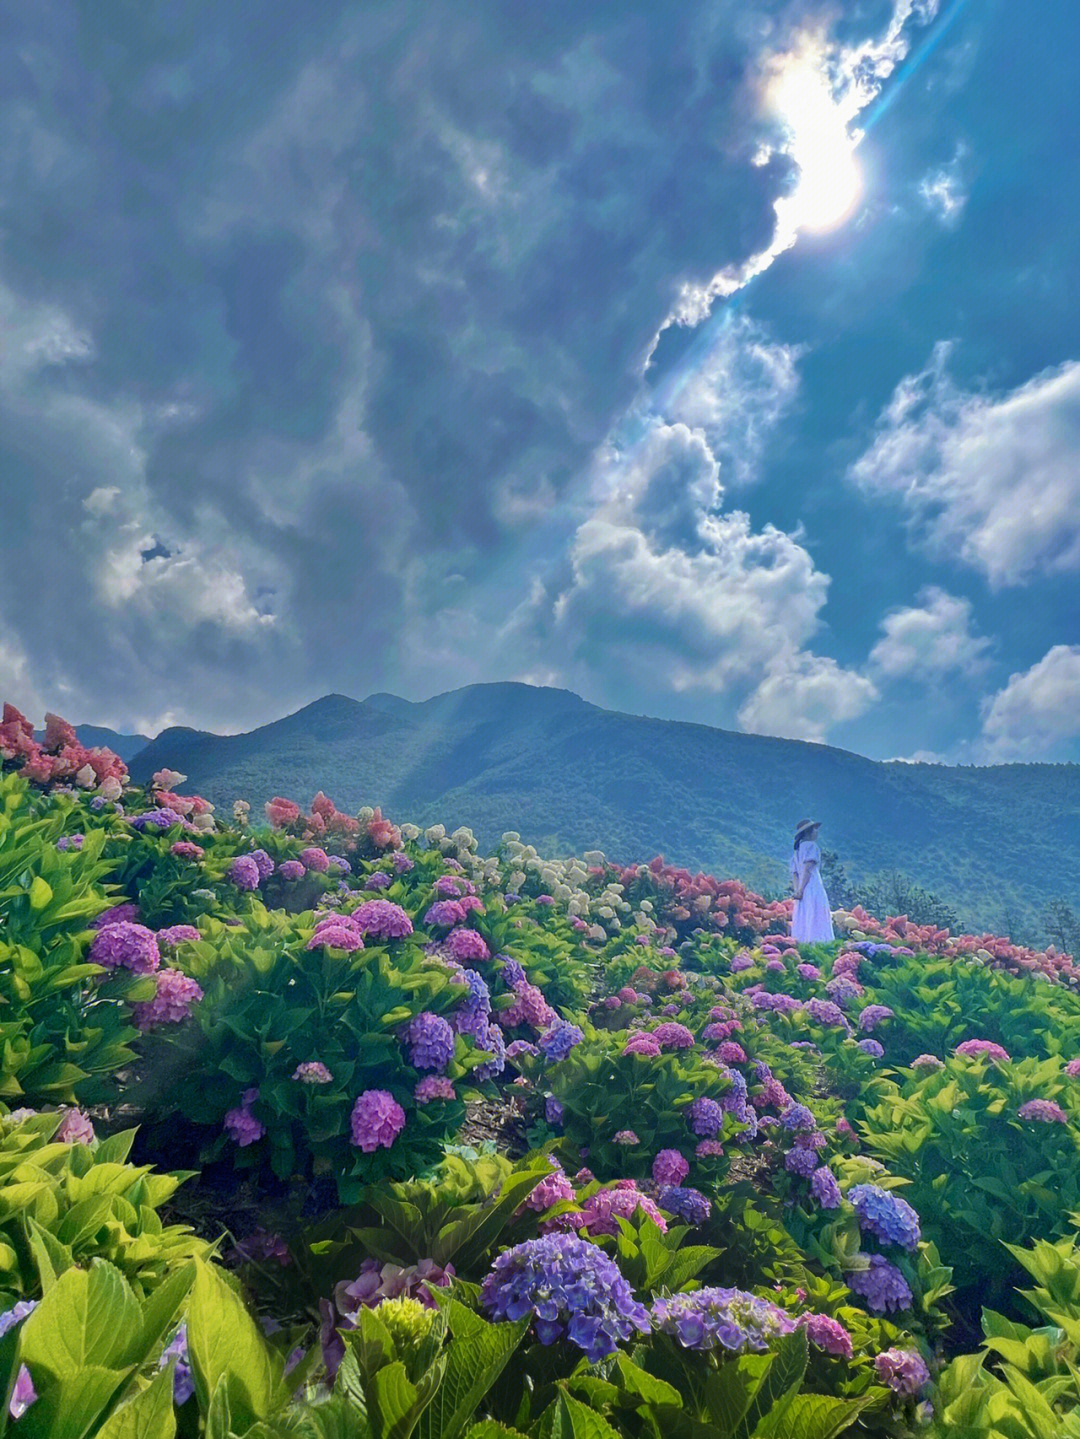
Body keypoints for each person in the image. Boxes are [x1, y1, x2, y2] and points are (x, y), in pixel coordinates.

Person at [790, 818, 834, 944]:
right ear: (809, 832)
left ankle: (803, 942)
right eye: (814, 830)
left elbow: (795, 873)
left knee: (804, 915)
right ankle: (818, 942)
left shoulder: (797, 851)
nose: (817, 832)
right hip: (811, 886)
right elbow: (807, 870)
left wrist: (797, 890)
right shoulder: (811, 847)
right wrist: (802, 889)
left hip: (801, 887)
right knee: (816, 913)